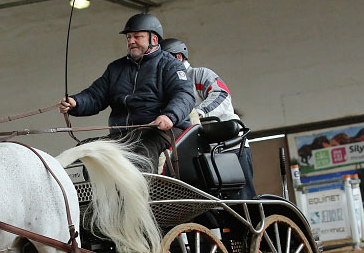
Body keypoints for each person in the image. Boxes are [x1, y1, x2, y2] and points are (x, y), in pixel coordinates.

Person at [58, 13, 195, 171]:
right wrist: (75, 102)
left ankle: (145, 194)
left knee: (141, 153)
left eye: (137, 36)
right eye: (128, 37)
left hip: (161, 131)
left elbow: (184, 95)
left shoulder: (170, 65)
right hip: (123, 134)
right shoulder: (115, 68)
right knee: (83, 150)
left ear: (154, 39)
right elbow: (95, 95)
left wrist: (169, 116)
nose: (131, 41)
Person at [161, 37, 256, 199]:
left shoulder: (199, 75)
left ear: (178, 57)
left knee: (242, 198)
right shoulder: (166, 89)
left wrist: (197, 114)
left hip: (229, 147)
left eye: (164, 60)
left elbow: (221, 94)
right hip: (198, 153)